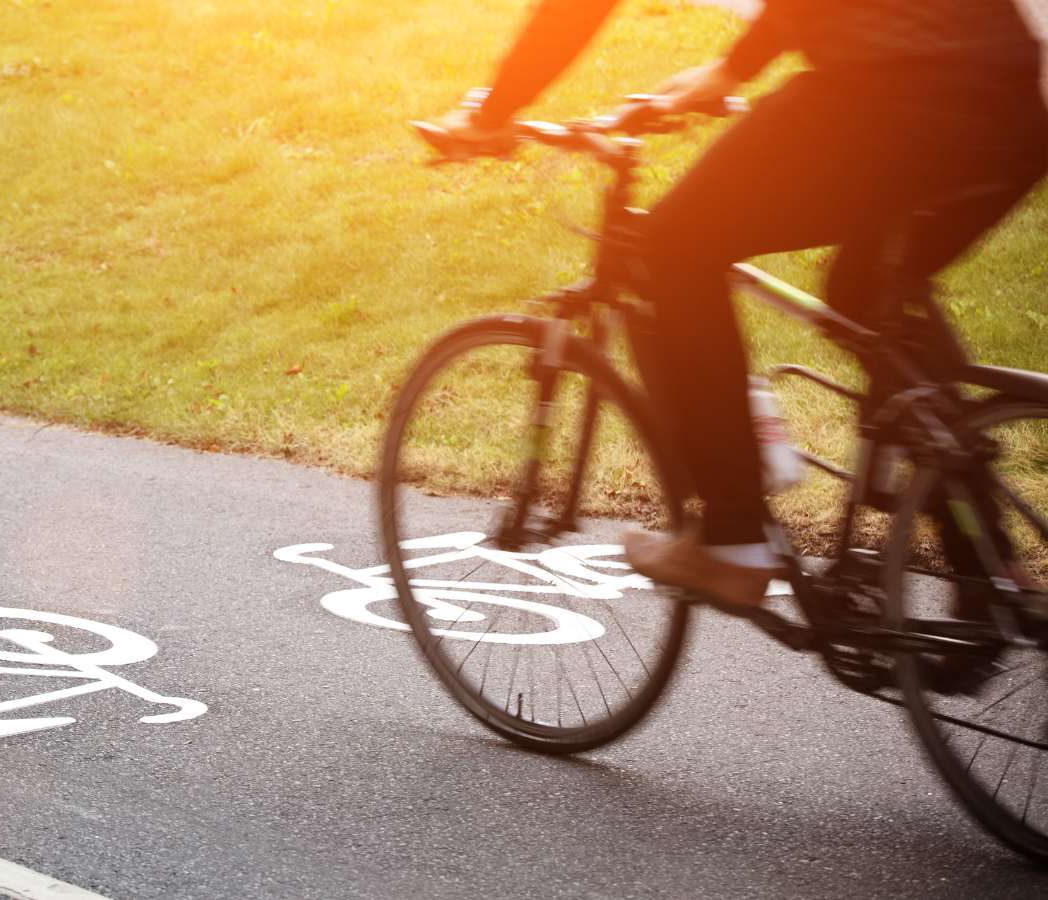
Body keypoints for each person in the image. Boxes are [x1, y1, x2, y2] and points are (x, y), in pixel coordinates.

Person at [431, 0, 1048, 608]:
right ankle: (991, 572)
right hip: (1014, 112)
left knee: (674, 246)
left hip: (889, 92)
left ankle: (734, 540)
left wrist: (494, 110)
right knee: (867, 294)